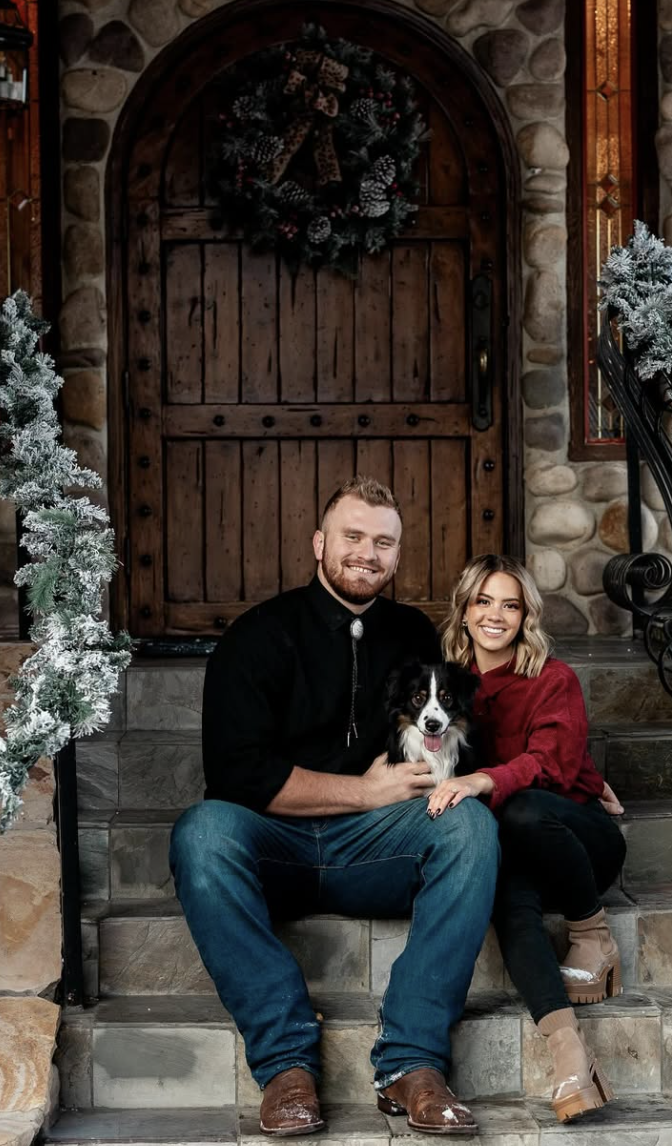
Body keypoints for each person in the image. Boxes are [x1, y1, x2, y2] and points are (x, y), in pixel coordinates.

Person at [170, 478, 499, 1137]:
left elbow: (463, 724)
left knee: (471, 826)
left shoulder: (413, 634)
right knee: (202, 834)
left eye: (383, 543)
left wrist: (557, 770)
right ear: (320, 543)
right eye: (353, 536)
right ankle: (286, 1065)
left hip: (378, 845)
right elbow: (235, 774)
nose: (366, 554)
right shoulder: (257, 635)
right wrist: (362, 791)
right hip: (275, 845)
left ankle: (411, 1062)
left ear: (397, 556)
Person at [427, 554, 627, 1125]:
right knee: (507, 897)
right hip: (515, 847)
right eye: (483, 602)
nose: (495, 615)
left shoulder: (551, 678)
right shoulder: (448, 687)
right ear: (465, 611)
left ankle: (592, 934)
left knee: (519, 809)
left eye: (509, 605)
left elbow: (550, 766)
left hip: (578, 841)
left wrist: (481, 780)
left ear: (525, 616)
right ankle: (571, 1056)